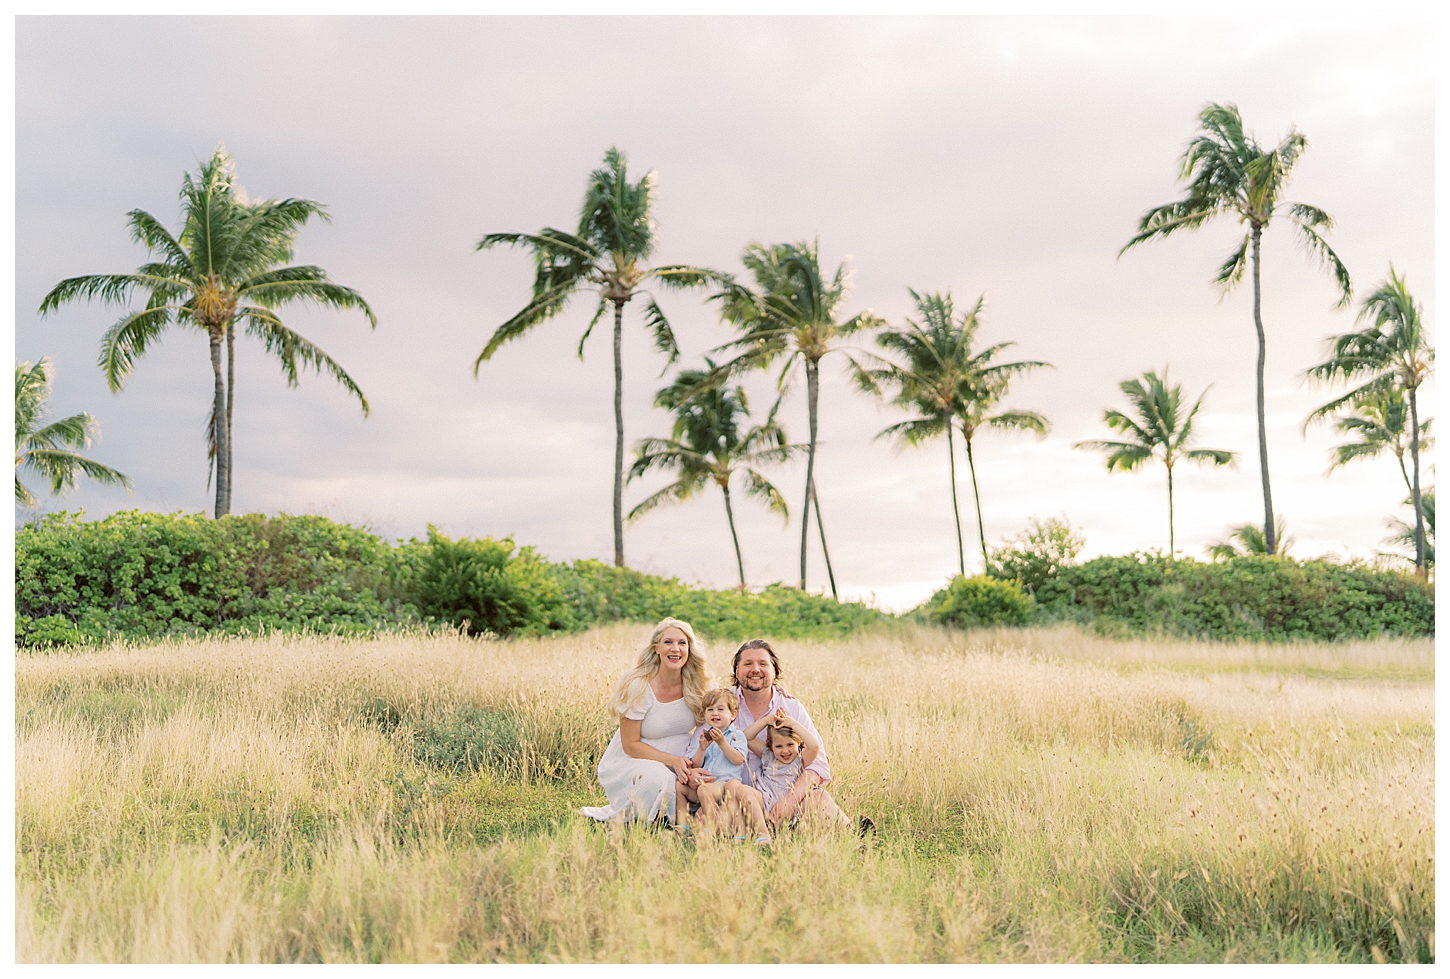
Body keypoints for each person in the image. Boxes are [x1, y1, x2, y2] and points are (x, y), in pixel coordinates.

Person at [728, 638, 868, 833]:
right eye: (748, 664)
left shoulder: (790, 706)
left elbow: (817, 763)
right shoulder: (723, 703)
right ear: (736, 670)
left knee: (819, 798)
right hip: (740, 799)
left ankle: (854, 835)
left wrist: (789, 802)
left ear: (775, 671)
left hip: (786, 799)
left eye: (763, 664)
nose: (755, 670)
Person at [581, 618, 709, 826]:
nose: (675, 649)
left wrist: (774, 690)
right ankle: (656, 820)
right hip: (636, 759)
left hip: (682, 759)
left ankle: (684, 818)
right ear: (656, 648)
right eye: (668, 642)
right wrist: (672, 761)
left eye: (682, 643)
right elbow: (630, 745)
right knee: (660, 780)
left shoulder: (698, 683)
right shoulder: (638, 685)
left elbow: (726, 706)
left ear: (689, 649)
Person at [675, 689, 772, 845]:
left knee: (704, 790)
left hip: (725, 785)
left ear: (733, 715)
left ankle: (710, 829)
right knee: (680, 786)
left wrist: (722, 743)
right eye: (710, 709)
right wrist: (702, 748)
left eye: (720, 709)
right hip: (707, 783)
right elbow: (696, 764)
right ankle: (683, 824)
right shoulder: (702, 734)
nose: (715, 713)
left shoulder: (736, 735)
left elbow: (739, 759)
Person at [743, 711, 841, 832]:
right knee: (746, 794)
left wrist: (794, 724)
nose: (785, 751)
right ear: (771, 745)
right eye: (779, 746)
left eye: (790, 744)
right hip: (764, 803)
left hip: (789, 808)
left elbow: (815, 746)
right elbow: (747, 737)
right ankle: (762, 833)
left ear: (798, 742)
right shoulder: (768, 756)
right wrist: (765, 721)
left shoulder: (800, 760)